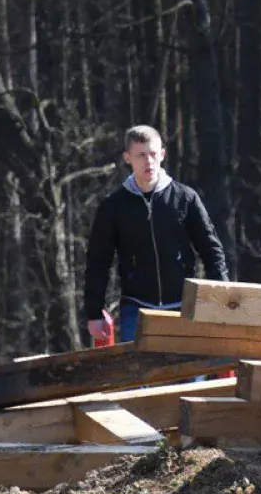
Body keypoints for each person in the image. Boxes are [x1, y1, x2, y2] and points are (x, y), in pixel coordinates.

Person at [84, 125, 229, 344]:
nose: (148, 161)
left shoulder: (185, 198)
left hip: (185, 306)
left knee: (191, 376)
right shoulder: (113, 207)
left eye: (152, 154)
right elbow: (98, 261)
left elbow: (211, 250)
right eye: (141, 155)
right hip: (136, 307)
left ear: (162, 154)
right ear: (127, 158)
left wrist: (222, 299)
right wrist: (94, 312)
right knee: (139, 377)